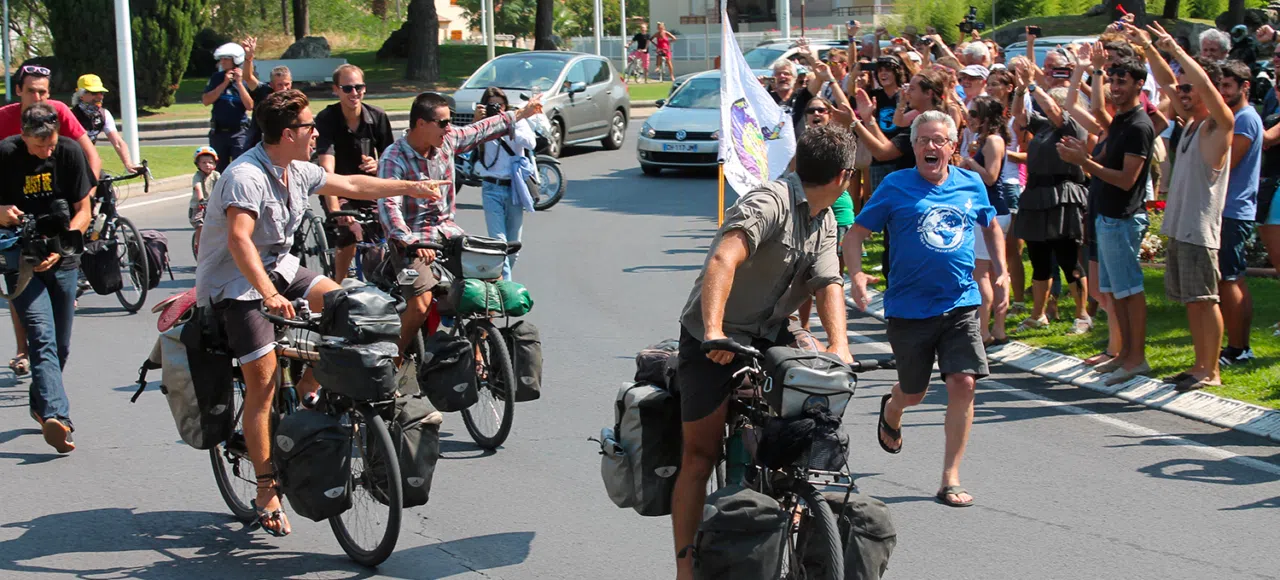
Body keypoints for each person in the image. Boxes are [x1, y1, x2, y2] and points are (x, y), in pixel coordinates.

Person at [194, 90, 446, 537]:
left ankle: (310, 384)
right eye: (309, 126)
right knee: (263, 384)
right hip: (236, 285)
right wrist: (268, 294)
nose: (316, 133)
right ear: (287, 133)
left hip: (281, 268)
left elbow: (352, 184)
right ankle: (266, 488)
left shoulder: (296, 169)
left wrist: (408, 187)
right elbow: (239, 240)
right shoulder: (245, 176)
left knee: (351, 309)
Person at [670, 125, 854, 580]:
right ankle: (685, 569)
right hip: (716, 335)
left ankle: (794, 509)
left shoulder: (825, 219)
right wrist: (713, 331)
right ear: (844, 176)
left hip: (772, 332)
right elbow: (723, 257)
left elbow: (828, 283)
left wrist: (840, 347)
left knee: (811, 422)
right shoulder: (769, 201)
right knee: (700, 455)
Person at [846, 110, 1007, 509]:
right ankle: (893, 407)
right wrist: (857, 274)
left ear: (952, 147)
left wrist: (1002, 271)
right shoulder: (896, 185)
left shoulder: (970, 183)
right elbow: (856, 235)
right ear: (914, 147)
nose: (930, 147)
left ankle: (950, 477)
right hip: (908, 307)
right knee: (914, 393)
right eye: (923, 140)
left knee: (963, 382)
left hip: (960, 302)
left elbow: (991, 226)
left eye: (939, 140)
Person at [377, 91, 545, 358]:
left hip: (447, 231)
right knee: (420, 305)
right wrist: (410, 241)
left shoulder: (447, 140)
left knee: (488, 287)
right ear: (421, 123)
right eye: (443, 122)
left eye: (450, 121)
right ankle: (391, 361)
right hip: (412, 240)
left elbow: (481, 129)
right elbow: (389, 205)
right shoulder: (394, 157)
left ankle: (478, 357)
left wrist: (522, 113)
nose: (449, 128)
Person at [1135, 22, 1234, 392]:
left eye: (1189, 88)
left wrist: (1178, 52)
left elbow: (1204, 83)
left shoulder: (1219, 125)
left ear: (1207, 91)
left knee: (1206, 300)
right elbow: (1165, 82)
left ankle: (1212, 370)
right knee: (1192, 301)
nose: (1182, 93)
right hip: (1181, 227)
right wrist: (1149, 48)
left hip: (1200, 229)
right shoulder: (1192, 124)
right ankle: (1199, 365)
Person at [0, 103, 94, 453]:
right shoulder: (5, 154)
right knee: (42, 337)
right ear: (23, 137)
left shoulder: (69, 152)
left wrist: (65, 242)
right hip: (20, 257)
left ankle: (41, 402)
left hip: (63, 256)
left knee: (61, 345)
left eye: (51, 143)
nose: (47, 151)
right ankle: (58, 417)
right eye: (40, 146)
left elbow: (84, 210)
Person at [1058, 56, 1155, 385]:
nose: (1115, 87)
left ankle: (1137, 358)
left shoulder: (1139, 126)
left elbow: (1127, 180)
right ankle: (1124, 354)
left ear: (1139, 84)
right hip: (1107, 217)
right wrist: (1094, 68)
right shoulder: (1120, 122)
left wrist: (1083, 161)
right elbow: (1097, 107)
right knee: (1116, 293)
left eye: (1121, 81)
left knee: (1130, 291)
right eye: (1112, 81)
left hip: (1123, 218)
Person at [0, 65, 100, 380]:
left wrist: (85, 199)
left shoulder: (58, 113)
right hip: (17, 219)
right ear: (19, 91)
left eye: (43, 91)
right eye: (31, 91)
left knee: (56, 335)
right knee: (23, 293)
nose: (38, 97)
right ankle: (23, 350)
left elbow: (90, 153)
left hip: (58, 215)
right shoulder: (4, 120)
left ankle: (44, 374)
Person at [314, 64, 395, 283]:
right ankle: (336, 285)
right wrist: (336, 210)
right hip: (338, 187)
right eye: (347, 88)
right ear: (336, 90)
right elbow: (327, 169)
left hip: (368, 188)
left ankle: (377, 286)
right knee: (349, 232)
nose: (354, 93)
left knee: (379, 242)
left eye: (358, 87)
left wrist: (378, 165)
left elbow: (391, 162)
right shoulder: (326, 119)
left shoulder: (377, 117)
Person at [1210, 60, 1262, 367]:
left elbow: (1225, 163)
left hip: (1234, 209)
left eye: (1228, 86)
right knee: (1229, 279)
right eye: (1220, 85)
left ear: (1245, 87)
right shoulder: (1236, 118)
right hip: (1227, 209)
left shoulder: (1245, 119)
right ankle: (1237, 346)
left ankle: (1238, 348)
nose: (1223, 92)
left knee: (1230, 279)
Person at [960, 96, 1011, 347]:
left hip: (992, 211)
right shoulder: (985, 139)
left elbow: (990, 177)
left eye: (973, 114)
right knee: (992, 271)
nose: (969, 118)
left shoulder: (993, 140)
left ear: (986, 117)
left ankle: (984, 331)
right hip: (990, 210)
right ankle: (997, 329)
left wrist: (969, 162)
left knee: (981, 272)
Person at [475, 87, 536, 281]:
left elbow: (531, 143)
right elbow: (465, 143)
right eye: (492, 105)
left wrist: (510, 126)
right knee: (499, 243)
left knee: (514, 245)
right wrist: (477, 120)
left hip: (514, 187)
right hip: (491, 187)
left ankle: (502, 280)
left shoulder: (517, 120)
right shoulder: (483, 124)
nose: (497, 109)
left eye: (500, 105)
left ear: (506, 105)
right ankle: (506, 287)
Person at [70, 74, 142, 173]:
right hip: (68, 164)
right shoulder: (70, 115)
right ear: (81, 95)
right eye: (94, 93)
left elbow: (118, 142)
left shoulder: (104, 114)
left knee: (105, 181)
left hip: (89, 163)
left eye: (101, 93)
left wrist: (128, 164)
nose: (100, 97)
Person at [202, 42, 255, 172]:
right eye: (221, 59)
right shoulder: (216, 78)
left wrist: (239, 83)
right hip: (218, 133)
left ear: (235, 60)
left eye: (226, 59)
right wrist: (225, 83)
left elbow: (250, 106)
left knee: (240, 169)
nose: (222, 62)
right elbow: (206, 100)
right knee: (219, 171)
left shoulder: (245, 79)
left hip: (239, 133)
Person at [246, 65, 292, 148]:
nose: (284, 88)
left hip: (283, 145)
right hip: (258, 144)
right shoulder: (263, 92)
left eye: (287, 84)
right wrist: (248, 60)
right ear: (271, 85)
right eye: (280, 85)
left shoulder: (294, 99)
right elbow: (248, 77)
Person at [190, 146, 220, 258]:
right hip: (198, 207)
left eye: (210, 162)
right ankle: (200, 248)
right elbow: (197, 187)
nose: (207, 165)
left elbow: (222, 185)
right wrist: (201, 200)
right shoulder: (198, 176)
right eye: (203, 162)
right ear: (198, 164)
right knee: (200, 225)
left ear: (215, 164)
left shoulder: (216, 175)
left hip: (213, 205)